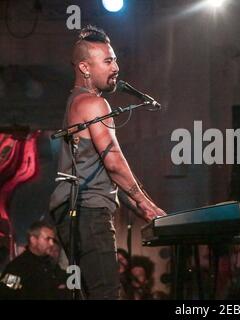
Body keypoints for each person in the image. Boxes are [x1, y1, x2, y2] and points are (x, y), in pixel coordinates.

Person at [48, 25, 166, 300]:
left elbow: (103, 171)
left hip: (75, 212)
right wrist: (146, 204)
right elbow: (114, 163)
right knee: (106, 294)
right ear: (85, 67)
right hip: (88, 213)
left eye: (115, 59)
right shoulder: (92, 103)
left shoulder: (75, 101)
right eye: (108, 60)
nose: (116, 67)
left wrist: (141, 208)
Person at [0, 221, 70, 300]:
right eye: (48, 239)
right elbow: (6, 293)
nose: (51, 243)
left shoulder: (48, 264)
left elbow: (62, 280)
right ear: (33, 240)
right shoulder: (16, 268)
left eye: (53, 240)